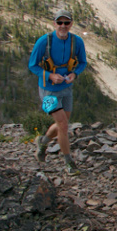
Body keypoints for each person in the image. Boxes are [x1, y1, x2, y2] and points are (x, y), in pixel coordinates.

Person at [28, 9, 87, 174]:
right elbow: (32, 65)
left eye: (66, 23)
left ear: (71, 24)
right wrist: (49, 75)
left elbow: (82, 63)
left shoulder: (77, 42)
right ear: (54, 23)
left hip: (67, 88)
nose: (63, 26)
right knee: (62, 125)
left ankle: (43, 142)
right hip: (47, 91)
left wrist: (75, 74)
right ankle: (69, 162)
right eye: (60, 22)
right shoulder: (43, 42)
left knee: (63, 122)